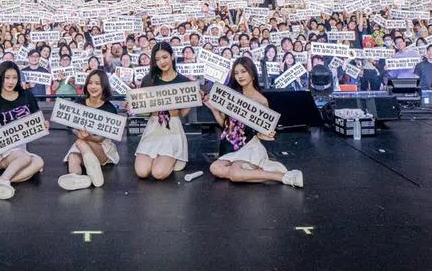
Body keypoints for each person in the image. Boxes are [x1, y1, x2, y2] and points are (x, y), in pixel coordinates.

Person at [206, 58, 302, 188]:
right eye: (236, 73)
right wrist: (214, 110)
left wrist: (266, 134)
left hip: (249, 147)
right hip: (229, 147)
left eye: (243, 71)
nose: (239, 76)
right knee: (215, 168)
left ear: (252, 73)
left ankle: (285, 177)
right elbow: (226, 125)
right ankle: (258, 172)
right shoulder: (230, 95)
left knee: (235, 174)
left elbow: (262, 132)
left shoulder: (261, 100)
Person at [0, 60, 47, 200]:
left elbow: (37, 120)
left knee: (39, 162)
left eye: (14, 78)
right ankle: (3, 181)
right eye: (7, 77)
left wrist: (44, 124)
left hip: (21, 147)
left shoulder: (27, 96)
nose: (11, 81)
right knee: (25, 158)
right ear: (0, 78)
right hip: (3, 151)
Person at [127, 42, 191, 180]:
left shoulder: (183, 81)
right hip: (153, 127)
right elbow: (145, 112)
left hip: (172, 129)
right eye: (157, 59)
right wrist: (133, 105)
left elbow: (183, 113)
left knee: (158, 173)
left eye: (165, 57)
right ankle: (160, 158)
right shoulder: (148, 79)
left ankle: (174, 157)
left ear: (172, 56)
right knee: (142, 172)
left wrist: (194, 99)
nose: (162, 62)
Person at [59, 69, 121, 191]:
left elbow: (100, 138)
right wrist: (79, 133)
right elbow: (72, 127)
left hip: (102, 149)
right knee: (73, 157)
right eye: (90, 83)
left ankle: (93, 171)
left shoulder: (110, 108)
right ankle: (77, 178)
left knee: (80, 142)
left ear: (104, 86)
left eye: (97, 83)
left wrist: (87, 137)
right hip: (83, 143)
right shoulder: (79, 103)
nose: (93, 86)